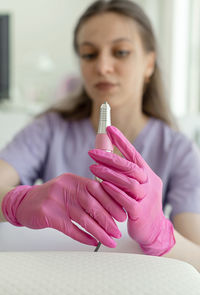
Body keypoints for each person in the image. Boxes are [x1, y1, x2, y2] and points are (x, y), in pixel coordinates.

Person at [0, 0, 200, 270]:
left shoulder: (178, 150)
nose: (103, 67)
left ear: (149, 63)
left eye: (121, 52)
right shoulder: (48, 130)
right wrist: (16, 202)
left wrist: (162, 235)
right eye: (89, 54)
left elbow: (196, 256)